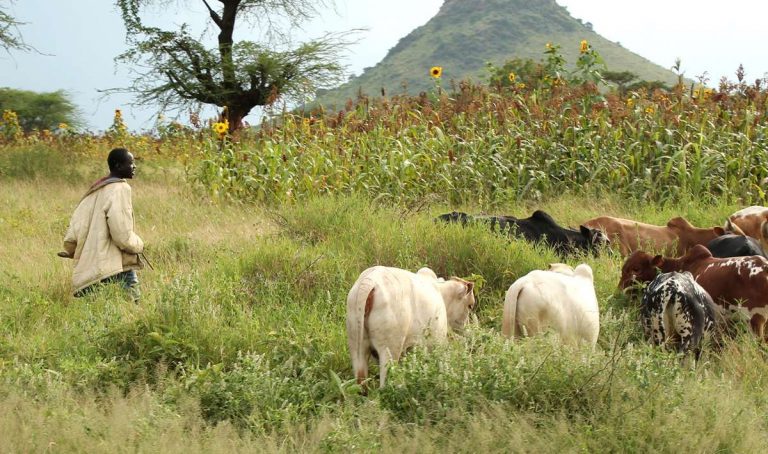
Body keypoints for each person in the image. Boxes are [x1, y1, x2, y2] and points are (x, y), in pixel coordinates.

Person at [61, 148, 144, 301]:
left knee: (93, 298)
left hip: (93, 255)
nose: (134, 167)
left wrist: (71, 247)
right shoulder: (121, 188)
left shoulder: (97, 188)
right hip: (115, 256)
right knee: (133, 298)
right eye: (130, 163)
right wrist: (137, 245)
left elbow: (77, 223)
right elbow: (122, 234)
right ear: (118, 166)